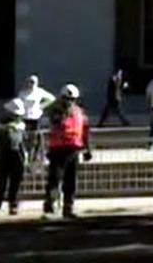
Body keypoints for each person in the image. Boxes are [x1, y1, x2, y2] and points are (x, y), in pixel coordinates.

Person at [43, 84, 92, 218]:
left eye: (72, 99)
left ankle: (68, 207)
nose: (69, 102)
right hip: (58, 149)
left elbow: (85, 131)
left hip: (73, 149)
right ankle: (50, 206)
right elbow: (54, 122)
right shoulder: (55, 111)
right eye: (67, 99)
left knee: (71, 180)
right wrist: (63, 113)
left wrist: (88, 149)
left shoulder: (80, 112)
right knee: (55, 179)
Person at [0, 99, 28, 216]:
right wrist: (7, 128)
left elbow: (23, 141)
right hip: (4, 155)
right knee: (1, 182)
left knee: (16, 182)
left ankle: (13, 205)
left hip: (17, 155)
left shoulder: (21, 125)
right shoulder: (0, 124)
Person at [17, 74, 56, 160]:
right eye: (29, 82)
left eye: (33, 82)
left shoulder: (39, 92)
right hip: (25, 117)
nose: (31, 84)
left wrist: (41, 106)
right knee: (24, 137)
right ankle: (25, 156)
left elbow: (52, 98)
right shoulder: (22, 93)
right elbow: (18, 104)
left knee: (36, 138)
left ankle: (36, 155)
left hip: (36, 117)